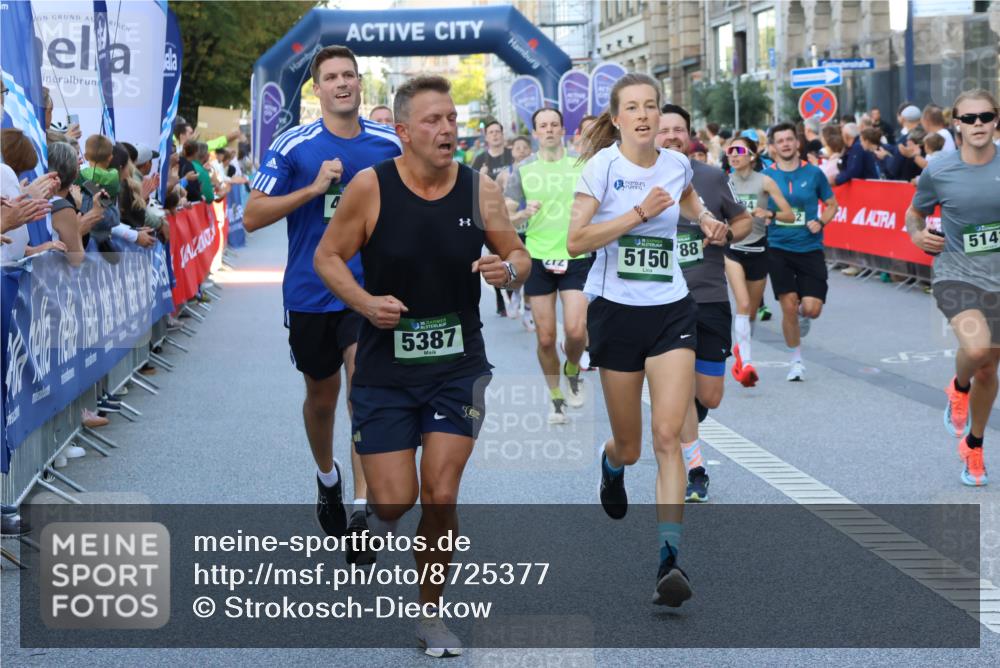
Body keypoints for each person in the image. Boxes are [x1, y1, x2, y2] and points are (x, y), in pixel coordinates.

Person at [313, 74, 530, 657]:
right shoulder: (370, 187)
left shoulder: (479, 189)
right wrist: (363, 304)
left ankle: (430, 615)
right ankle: (369, 505)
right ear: (402, 131)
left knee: (440, 491)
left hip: (458, 363)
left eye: (452, 119)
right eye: (432, 121)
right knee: (393, 502)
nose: (446, 129)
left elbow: (518, 253)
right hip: (385, 367)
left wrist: (507, 270)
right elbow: (327, 256)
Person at [567, 73, 728, 607]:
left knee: (668, 436)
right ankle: (611, 466)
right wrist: (637, 214)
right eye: (632, 107)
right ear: (616, 118)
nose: (643, 115)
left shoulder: (676, 162)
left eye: (651, 107)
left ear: (661, 117)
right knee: (632, 445)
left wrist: (704, 217)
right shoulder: (602, 168)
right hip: (615, 313)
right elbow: (575, 240)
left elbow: (682, 197)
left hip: (671, 311)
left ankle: (669, 561)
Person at [244, 45, 402, 561]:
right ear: (317, 89)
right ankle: (328, 478)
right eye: (331, 77)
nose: (341, 83)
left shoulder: (387, 143)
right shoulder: (295, 144)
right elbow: (251, 215)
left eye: (349, 76)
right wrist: (313, 188)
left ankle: (360, 511)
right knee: (322, 398)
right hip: (311, 294)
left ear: (361, 85)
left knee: (364, 392)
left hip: (366, 293)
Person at [658, 103, 752, 503]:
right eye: (664, 130)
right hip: (663, 301)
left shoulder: (712, 178)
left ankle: (684, 419)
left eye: (679, 129)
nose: (672, 136)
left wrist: (726, 232)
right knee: (678, 393)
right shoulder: (635, 180)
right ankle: (696, 468)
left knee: (709, 396)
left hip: (709, 297)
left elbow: (745, 222)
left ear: (689, 134)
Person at [907, 89, 1000, 487]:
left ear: (996, 120)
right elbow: (916, 211)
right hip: (955, 273)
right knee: (977, 351)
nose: (978, 124)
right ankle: (957, 388)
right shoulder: (939, 169)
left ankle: (974, 447)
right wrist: (916, 235)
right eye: (970, 118)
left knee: (989, 368)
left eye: (986, 116)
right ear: (956, 124)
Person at [505, 108, 589, 424]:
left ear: (562, 130)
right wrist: (522, 214)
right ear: (536, 132)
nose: (550, 130)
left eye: (555, 124)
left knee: (576, 331)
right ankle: (556, 398)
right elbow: (506, 213)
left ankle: (572, 368)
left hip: (576, 255)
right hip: (539, 258)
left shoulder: (580, 165)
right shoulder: (523, 170)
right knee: (544, 337)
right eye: (543, 126)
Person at [764, 123, 839, 381]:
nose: (785, 144)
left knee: (811, 309)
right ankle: (796, 362)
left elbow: (831, 204)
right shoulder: (766, 176)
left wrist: (821, 221)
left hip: (809, 247)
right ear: (773, 147)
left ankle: (802, 314)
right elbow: (753, 206)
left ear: (797, 143)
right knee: (787, 304)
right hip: (777, 246)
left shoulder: (815, 174)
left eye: (789, 139)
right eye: (780, 141)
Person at [722, 135, 796, 389]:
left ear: (752, 155)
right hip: (732, 250)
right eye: (730, 150)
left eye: (739, 150)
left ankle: (741, 352)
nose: (733, 154)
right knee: (742, 304)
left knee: (751, 312)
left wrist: (770, 213)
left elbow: (789, 214)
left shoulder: (765, 181)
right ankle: (748, 363)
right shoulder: (724, 182)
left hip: (758, 250)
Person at [472, 120, 515, 317]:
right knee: (496, 257)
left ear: (503, 134)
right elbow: (471, 188)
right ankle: (501, 299)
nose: (495, 135)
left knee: (516, 254)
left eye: (498, 131)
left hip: (515, 214)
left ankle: (514, 292)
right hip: (492, 214)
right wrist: (481, 177)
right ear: (486, 137)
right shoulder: (481, 160)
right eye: (491, 132)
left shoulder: (512, 156)